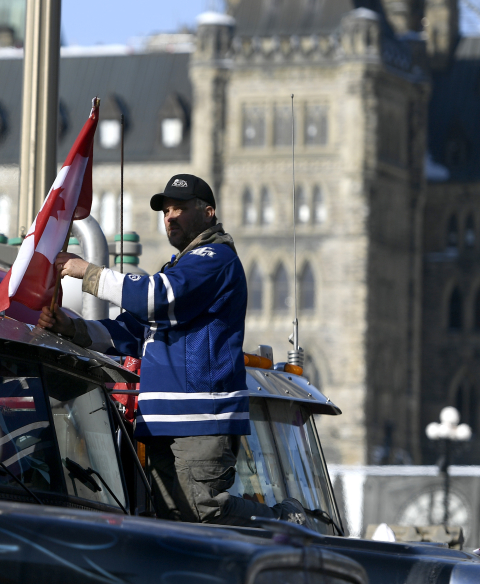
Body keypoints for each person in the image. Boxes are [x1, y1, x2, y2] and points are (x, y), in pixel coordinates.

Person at [38, 174, 307, 526]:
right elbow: (129, 331)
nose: (170, 217)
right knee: (176, 521)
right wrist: (71, 328)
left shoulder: (214, 259)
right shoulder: (180, 269)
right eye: (166, 210)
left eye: (180, 208)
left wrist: (89, 272)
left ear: (208, 213)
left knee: (201, 511)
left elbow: (157, 297)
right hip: (162, 418)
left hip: (198, 415)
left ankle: (286, 523)